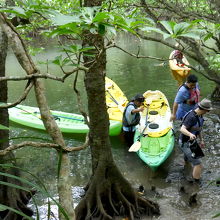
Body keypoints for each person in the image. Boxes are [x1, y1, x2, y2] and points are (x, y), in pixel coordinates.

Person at [178, 98, 213, 184]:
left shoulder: (200, 116)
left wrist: (201, 140)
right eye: (208, 110)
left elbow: (199, 129)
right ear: (204, 109)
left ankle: (185, 170)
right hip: (185, 143)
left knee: (187, 159)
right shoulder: (191, 117)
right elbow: (182, 129)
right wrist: (190, 134)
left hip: (191, 142)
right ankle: (196, 183)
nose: (207, 112)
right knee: (198, 164)